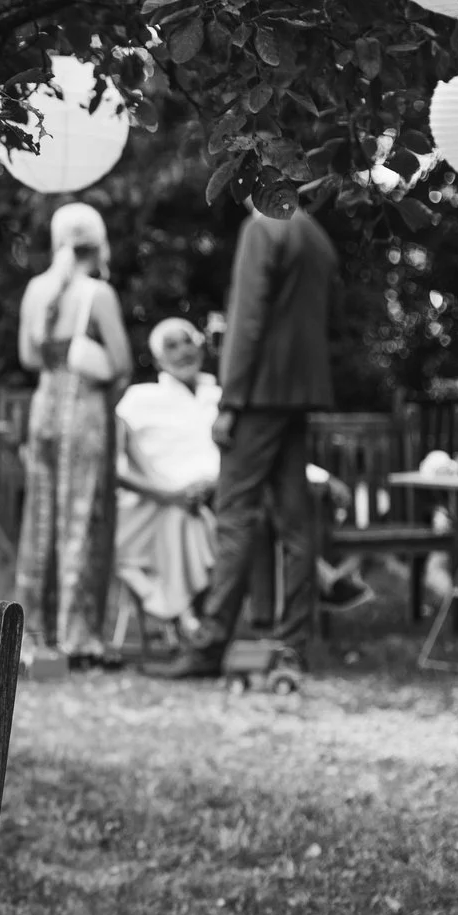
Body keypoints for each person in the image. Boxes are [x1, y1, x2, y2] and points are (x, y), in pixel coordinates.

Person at [146, 205, 339, 679]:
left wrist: (231, 400)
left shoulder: (264, 227)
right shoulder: (316, 236)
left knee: (234, 517)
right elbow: (329, 315)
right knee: (297, 523)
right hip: (298, 393)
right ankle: (293, 644)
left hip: (257, 396)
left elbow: (248, 317)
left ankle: (209, 647)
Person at [13, 202, 131, 668]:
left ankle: (35, 633)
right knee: (84, 516)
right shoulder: (98, 294)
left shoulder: (36, 289)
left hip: (44, 408)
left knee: (41, 518)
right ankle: (79, 638)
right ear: (97, 243)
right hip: (84, 413)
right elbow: (121, 365)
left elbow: (28, 358)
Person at [114, 317, 222, 634]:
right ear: (159, 358)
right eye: (171, 346)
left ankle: (193, 618)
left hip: (219, 492)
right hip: (154, 502)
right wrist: (169, 493)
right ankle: (190, 618)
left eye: (187, 341)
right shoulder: (140, 399)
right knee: (184, 516)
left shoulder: (218, 395)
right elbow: (115, 465)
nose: (182, 351)